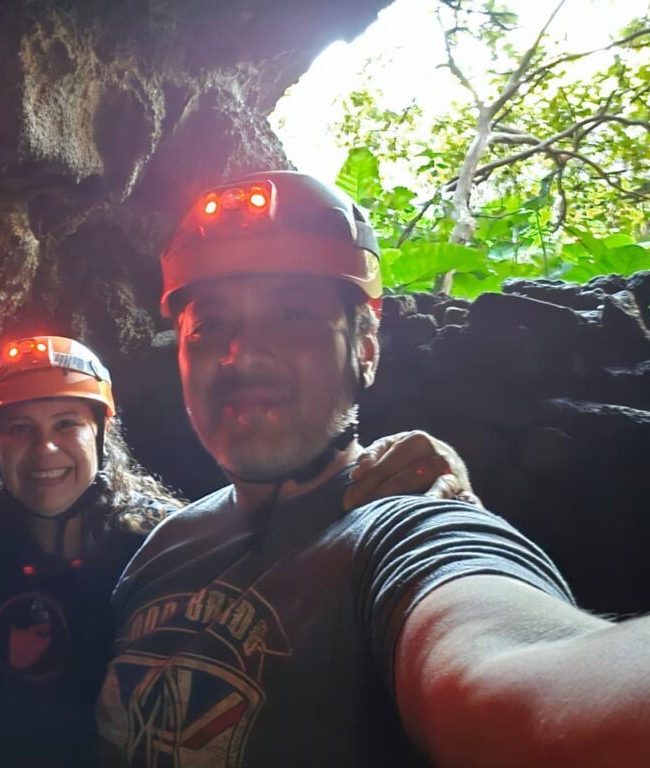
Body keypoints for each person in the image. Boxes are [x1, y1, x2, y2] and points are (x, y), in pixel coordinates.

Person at [97, 171, 650, 767]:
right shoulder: (163, 548)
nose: (244, 354)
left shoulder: (409, 533)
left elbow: (512, 677)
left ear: (365, 349)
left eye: (292, 315)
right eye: (209, 327)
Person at [0, 335, 479, 767]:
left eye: (67, 424)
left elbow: (292, 535)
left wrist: (412, 473)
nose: (43, 450)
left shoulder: (160, 542)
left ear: (101, 435)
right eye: (18, 429)